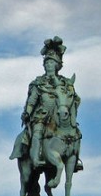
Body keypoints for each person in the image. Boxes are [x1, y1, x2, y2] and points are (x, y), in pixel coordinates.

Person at [10, 36, 83, 171]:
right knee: (37, 131)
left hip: (60, 116)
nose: (49, 65)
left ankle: (74, 156)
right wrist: (27, 112)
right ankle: (36, 157)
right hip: (42, 115)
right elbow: (32, 100)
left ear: (57, 65)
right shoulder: (39, 83)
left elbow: (74, 99)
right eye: (47, 63)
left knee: (75, 132)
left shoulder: (65, 83)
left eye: (52, 63)